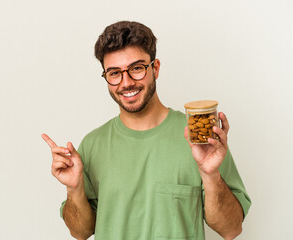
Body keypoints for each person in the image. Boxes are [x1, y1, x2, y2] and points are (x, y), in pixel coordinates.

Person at [42, 21, 251, 240]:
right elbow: (80, 232)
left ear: (155, 68)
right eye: (114, 73)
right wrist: (74, 189)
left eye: (136, 69)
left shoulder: (200, 139)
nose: (126, 82)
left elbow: (231, 229)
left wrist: (210, 175)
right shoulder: (92, 145)